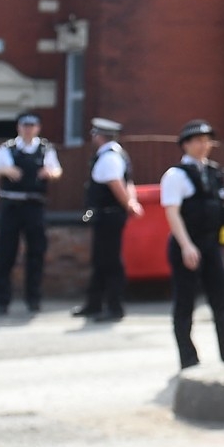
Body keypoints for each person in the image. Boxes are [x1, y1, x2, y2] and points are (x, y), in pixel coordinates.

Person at [160, 120, 224, 369]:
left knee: (221, 301)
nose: (203, 146)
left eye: (207, 140)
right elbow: (172, 212)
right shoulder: (176, 175)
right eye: (197, 141)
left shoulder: (215, 172)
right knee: (185, 303)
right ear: (185, 145)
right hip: (188, 244)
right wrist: (186, 245)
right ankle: (188, 360)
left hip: (212, 244)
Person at [0, 113, 62, 315]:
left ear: (38, 128)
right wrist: (4, 170)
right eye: (24, 125)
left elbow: (57, 171)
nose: (28, 129)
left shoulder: (46, 149)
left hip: (34, 204)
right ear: (18, 127)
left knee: (36, 252)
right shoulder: (6, 149)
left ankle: (33, 298)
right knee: (5, 253)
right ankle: (2, 300)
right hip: (11, 203)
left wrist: (49, 173)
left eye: (32, 126)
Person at [74, 118, 140, 322]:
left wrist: (129, 203)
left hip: (109, 214)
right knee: (101, 260)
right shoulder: (115, 154)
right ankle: (94, 304)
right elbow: (128, 182)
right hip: (108, 215)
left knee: (110, 261)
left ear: (98, 136)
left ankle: (114, 307)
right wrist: (132, 202)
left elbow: (116, 183)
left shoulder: (109, 157)